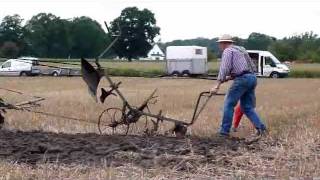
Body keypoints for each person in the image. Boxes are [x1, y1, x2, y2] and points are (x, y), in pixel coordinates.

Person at [211, 34, 267, 137]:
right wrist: (230, 78)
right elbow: (246, 68)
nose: (220, 46)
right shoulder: (241, 49)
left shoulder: (228, 51)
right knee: (247, 107)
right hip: (252, 78)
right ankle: (261, 129)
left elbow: (224, 68)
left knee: (228, 104)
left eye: (220, 44)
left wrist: (217, 85)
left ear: (223, 43)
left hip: (242, 79)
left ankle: (224, 132)